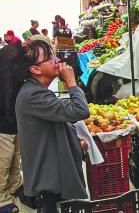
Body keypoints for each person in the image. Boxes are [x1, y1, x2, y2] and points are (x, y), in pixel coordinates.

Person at [15, 40, 90, 213]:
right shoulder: (33, 95)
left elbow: (52, 127)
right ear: (35, 69)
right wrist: (71, 82)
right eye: (49, 57)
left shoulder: (36, 91)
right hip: (48, 184)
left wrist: (75, 142)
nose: (57, 60)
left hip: (52, 178)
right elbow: (80, 110)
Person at [0, 39, 27, 213]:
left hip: (13, 119)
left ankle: (15, 185)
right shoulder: (8, 59)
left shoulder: (13, 55)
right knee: (4, 160)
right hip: (3, 121)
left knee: (15, 155)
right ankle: (2, 199)